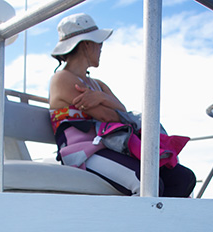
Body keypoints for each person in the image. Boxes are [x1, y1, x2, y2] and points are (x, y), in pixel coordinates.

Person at [48, 13, 196, 197]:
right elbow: (108, 116)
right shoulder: (62, 78)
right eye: (99, 43)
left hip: (109, 146)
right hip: (82, 153)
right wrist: (106, 103)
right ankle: (140, 226)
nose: (101, 48)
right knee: (146, 183)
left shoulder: (98, 85)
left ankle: (163, 225)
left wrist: (100, 97)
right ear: (87, 44)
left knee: (183, 178)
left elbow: (122, 110)